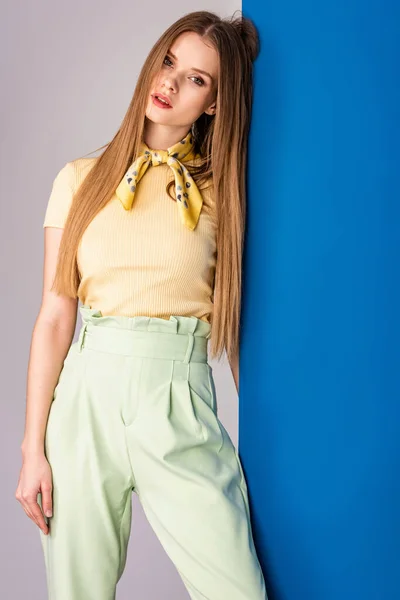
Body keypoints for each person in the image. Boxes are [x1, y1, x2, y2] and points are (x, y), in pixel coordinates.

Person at [15, 9, 267, 600]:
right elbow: (54, 317)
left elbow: (239, 319)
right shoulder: (78, 180)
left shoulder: (220, 193)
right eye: (170, 61)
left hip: (177, 396)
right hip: (84, 400)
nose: (172, 83)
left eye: (198, 79)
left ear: (212, 104)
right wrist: (33, 452)